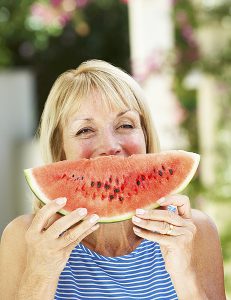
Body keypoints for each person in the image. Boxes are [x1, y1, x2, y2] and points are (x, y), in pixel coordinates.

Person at [0, 60, 226, 300]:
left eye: (125, 125)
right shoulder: (23, 238)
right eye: (85, 130)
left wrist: (184, 273)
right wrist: (41, 272)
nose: (109, 146)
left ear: (146, 135)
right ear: (60, 147)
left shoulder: (195, 232)